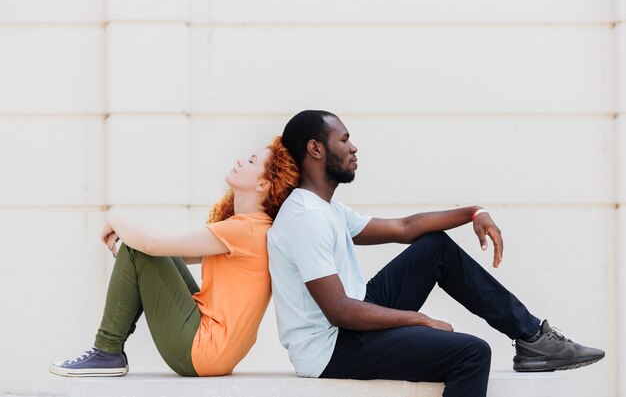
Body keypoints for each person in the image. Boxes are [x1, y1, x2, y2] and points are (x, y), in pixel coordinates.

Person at [267, 110, 605, 397]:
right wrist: (419, 319)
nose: (354, 147)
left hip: (351, 317)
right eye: (344, 140)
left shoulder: (327, 209)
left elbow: (404, 227)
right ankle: (530, 339)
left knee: (435, 247)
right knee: (472, 353)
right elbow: (339, 311)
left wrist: (475, 212)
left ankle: (532, 337)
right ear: (315, 149)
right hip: (331, 347)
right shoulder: (305, 218)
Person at [49, 136, 299, 377]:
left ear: (263, 184)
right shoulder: (254, 227)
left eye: (252, 161)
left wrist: (115, 220)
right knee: (142, 249)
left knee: (138, 250)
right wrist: (134, 237)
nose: (240, 161)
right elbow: (170, 251)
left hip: (203, 351)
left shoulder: (245, 229)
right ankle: (107, 353)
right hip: (216, 350)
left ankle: (106, 350)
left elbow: (154, 245)